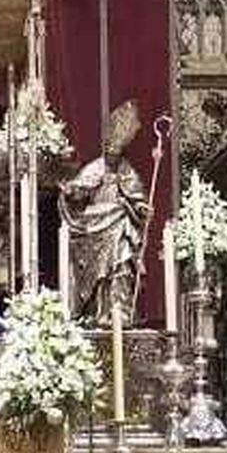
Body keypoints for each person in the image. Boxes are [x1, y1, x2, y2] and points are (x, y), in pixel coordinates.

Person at [59, 98, 149, 326]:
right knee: (102, 270)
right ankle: (100, 311)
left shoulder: (126, 170)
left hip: (119, 227)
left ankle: (120, 310)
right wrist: (73, 192)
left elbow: (136, 195)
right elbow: (78, 191)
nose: (114, 160)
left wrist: (140, 207)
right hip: (96, 228)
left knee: (122, 261)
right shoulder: (96, 168)